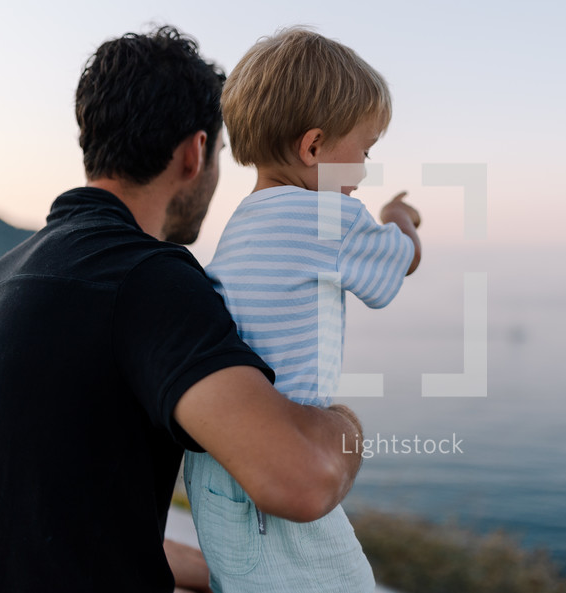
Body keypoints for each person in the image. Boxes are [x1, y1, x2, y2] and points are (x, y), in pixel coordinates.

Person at [0, 26, 363, 593]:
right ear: (196, 152)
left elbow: (30, 523)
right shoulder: (148, 278)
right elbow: (300, 480)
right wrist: (346, 427)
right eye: (221, 153)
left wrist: (207, 570)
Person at [184, 27, 422, 593]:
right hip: (283, 453)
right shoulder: (327, 218)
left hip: (217, 461)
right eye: (363, 152)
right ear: (314, 148)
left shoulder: (243, 221)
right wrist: (400, 217)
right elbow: (401, 263)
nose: (362, 173)